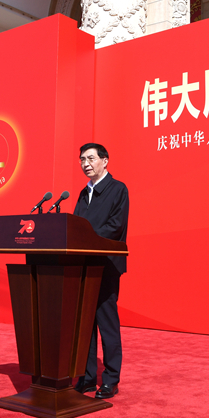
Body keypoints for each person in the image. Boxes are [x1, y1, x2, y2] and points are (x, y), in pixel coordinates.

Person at [73, 143, 129, 399]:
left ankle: (111, 380)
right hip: (83, 265)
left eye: (91, 158)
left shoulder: (118, 189)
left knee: (107, 324)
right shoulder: (83, 193)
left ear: (105, 161)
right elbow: (75, 226)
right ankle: (86, 377)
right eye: (82, 159)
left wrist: (85, 238)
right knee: (85, 325)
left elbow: (115, 227)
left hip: (106, 265)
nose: (86, 163)